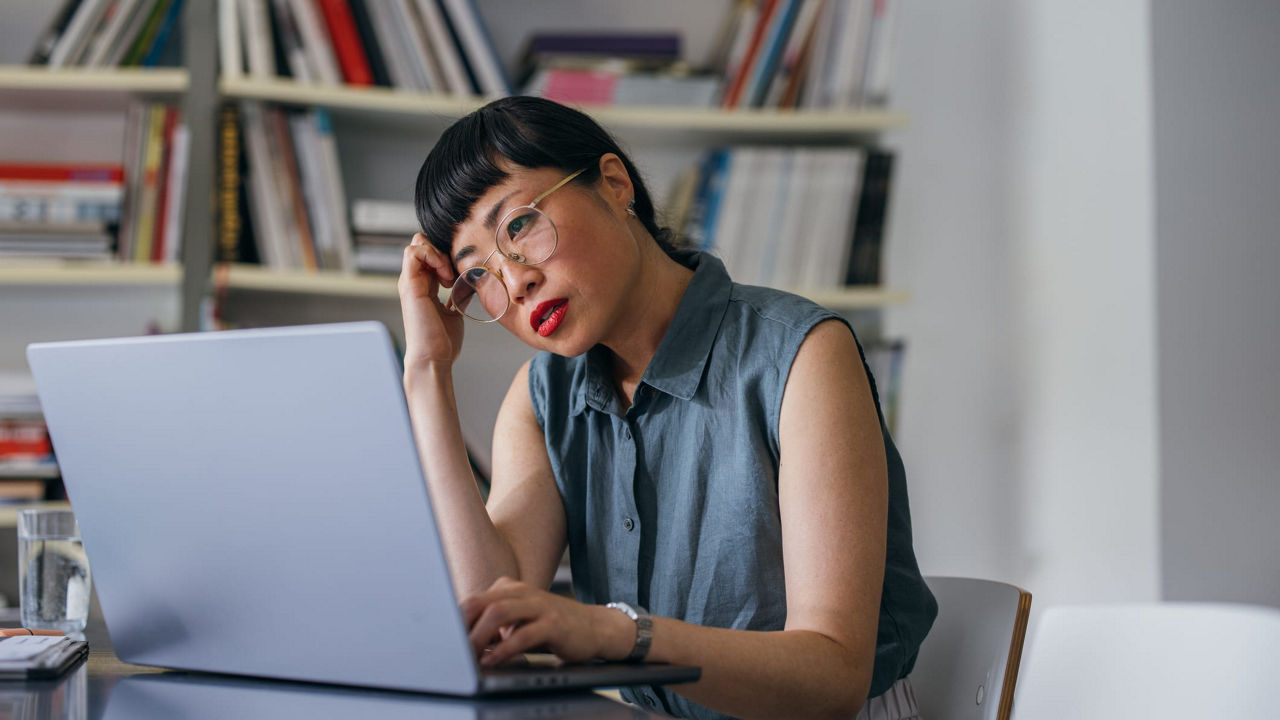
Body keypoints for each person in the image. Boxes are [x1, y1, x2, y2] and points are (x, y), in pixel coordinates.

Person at [399, 96, 936, 720]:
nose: (515, 281)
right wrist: (427, 373)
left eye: (519, 226)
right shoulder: (543, 396)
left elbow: (835, 676)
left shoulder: (802, 356)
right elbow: (488, 612)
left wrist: (616, 633)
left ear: (614, 184)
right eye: (478, 275)